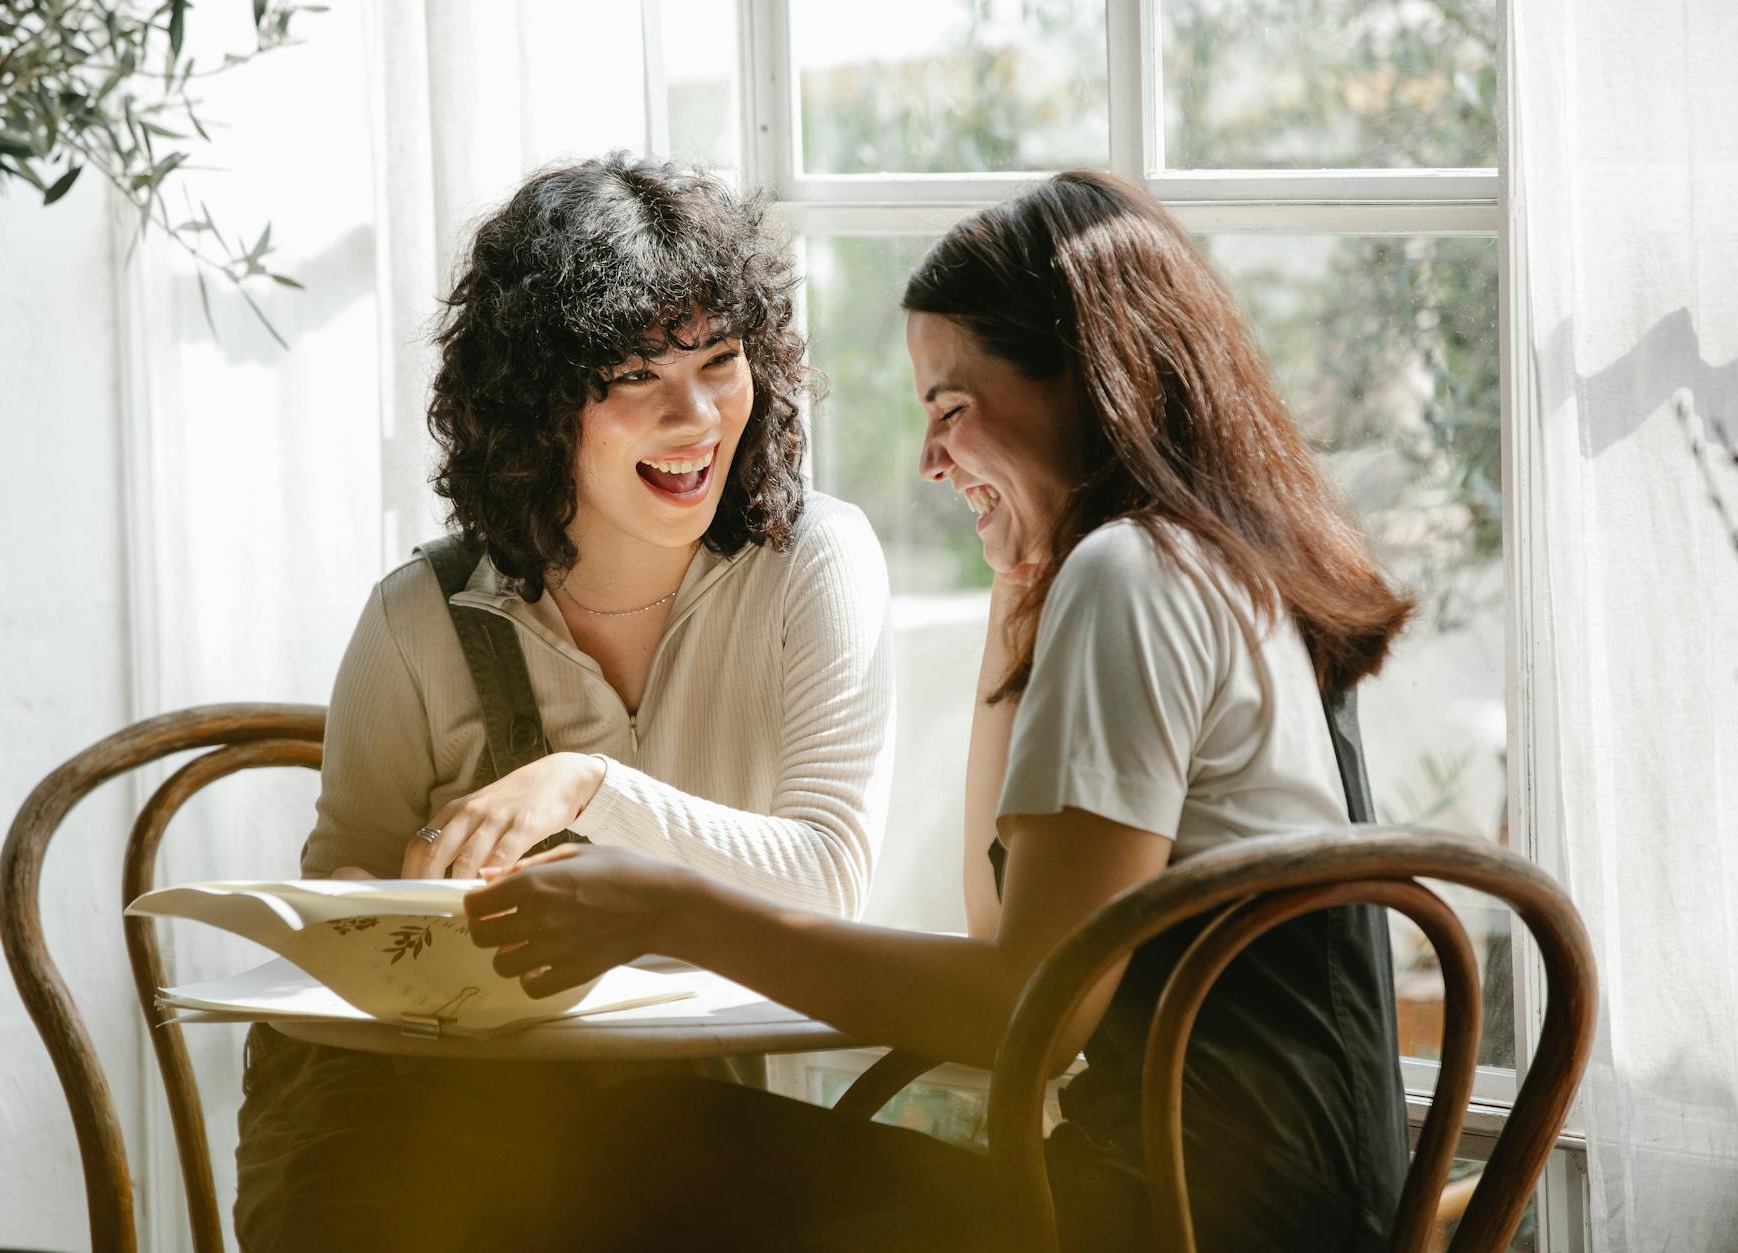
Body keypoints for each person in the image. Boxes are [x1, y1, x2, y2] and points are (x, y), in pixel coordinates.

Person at [465, 170, 1418, 1252]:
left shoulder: (1134, 575)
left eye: (950, 409)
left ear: (1086, 381)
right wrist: (1017, 594)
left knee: (631, 1150)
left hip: (1181, 1219)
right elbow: (1000, 934)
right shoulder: (1205, 561)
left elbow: (1030, 1014)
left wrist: (668, 910)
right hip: (1288, 1207)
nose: (926, 459)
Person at [232, 152, 895, 1252]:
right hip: (429, 1126)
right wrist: (388, 905)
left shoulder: (813, 560)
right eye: (634, 377)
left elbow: (830, 880)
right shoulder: (419, 616)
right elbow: (341, 875)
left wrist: (586, 785)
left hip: (686, 1123)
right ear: (537, 407)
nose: (696, 420)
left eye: (721, 362)